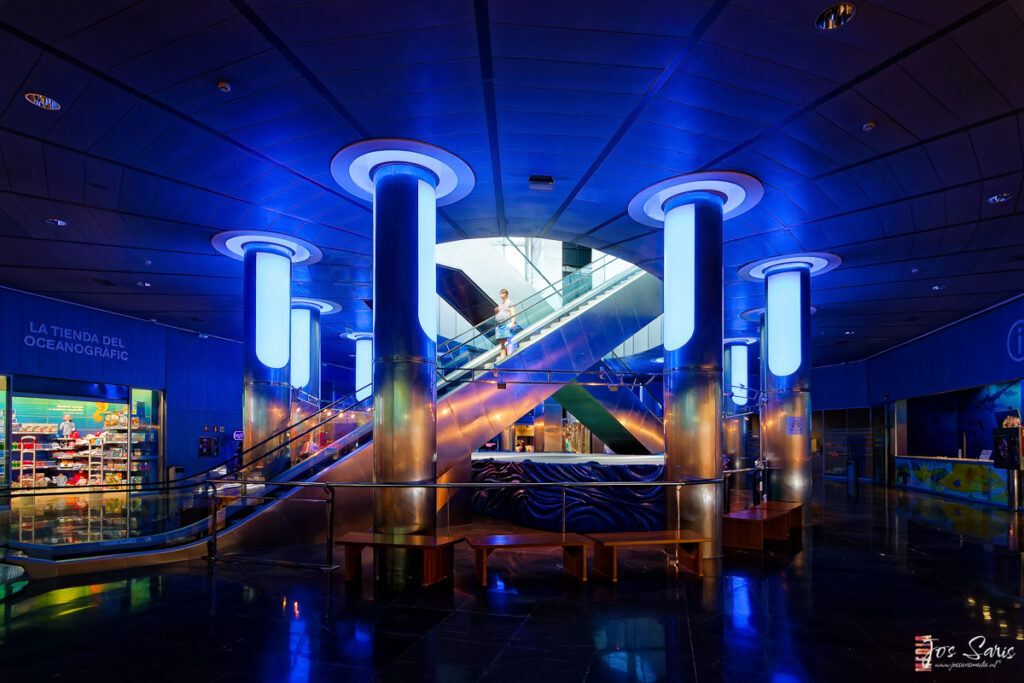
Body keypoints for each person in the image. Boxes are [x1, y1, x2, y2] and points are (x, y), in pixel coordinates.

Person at [494, 289, 516, 358]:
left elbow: (513, 312)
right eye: (500, 294)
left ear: (506, 294)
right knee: (502, 343)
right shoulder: (501, 305)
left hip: (506, 323)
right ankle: (502, 358)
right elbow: (498, 313)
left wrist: (512, 322)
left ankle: (510, 356)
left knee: (508, 341)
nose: (501, 295)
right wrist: (496, 311)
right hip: (499, 324)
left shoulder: (509, 302)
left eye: (502, 293)